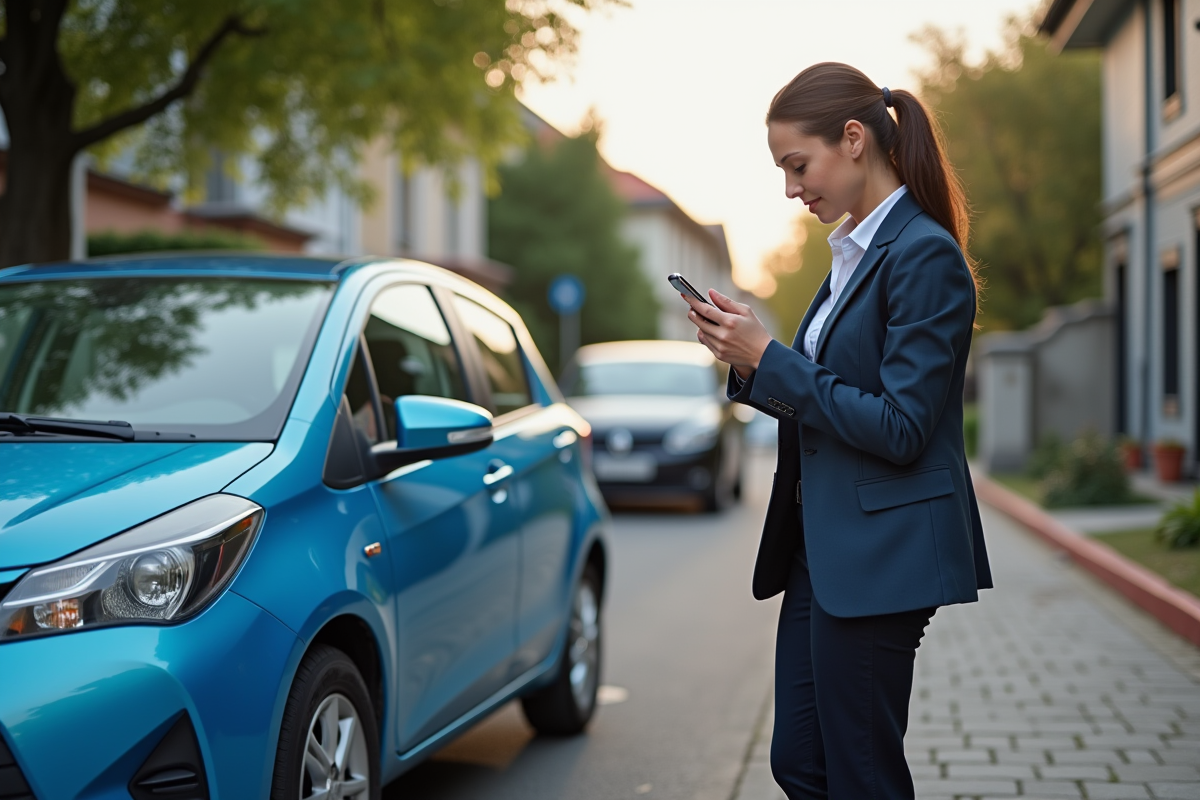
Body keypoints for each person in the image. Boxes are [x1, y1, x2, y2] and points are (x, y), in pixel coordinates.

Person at [680, 62, 993, 800]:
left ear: (853, 139)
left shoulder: (924, 256)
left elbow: (900, 426)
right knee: (803, 763)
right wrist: (748, 360)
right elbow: (826, 400)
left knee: (860, 775)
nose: (791, 189)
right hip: (823, 552)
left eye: (797, 165)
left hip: (883, 556)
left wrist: (772, 359)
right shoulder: (853, 254)